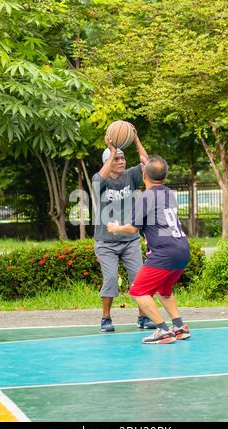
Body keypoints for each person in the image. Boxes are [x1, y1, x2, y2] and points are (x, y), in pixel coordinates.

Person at [107, 155, 191, 344]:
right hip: (182, 249)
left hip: (165, 252)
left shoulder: (146, 198)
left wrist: (115, 228)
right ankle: (179, 327)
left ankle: (163, 331)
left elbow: (132, 229)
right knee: (164, 290)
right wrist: (136, 140)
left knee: (138, 291)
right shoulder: (168, 193)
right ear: (164, 176)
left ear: (144, 174)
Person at [92, 128, 156, 332]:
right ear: (108, 162)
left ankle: (143, 318)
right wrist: (111, 151)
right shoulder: (100, 180)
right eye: (117, 159)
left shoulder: (131, 176)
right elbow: (98, 178)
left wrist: (136, 139)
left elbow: (147, 163)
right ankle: (106, 318)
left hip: (130, 240)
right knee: (110, 279)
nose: (121, 161)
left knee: (139, 278)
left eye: (122, 158)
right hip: (106, 242)